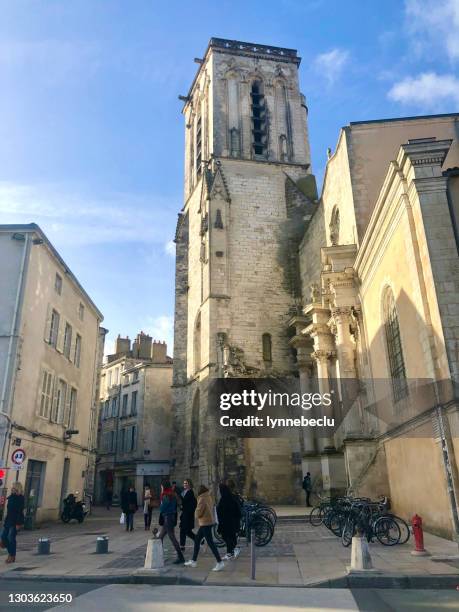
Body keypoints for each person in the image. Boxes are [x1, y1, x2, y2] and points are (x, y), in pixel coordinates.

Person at [184, 485, 224, 572]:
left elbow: (198, 512)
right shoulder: (208, 496)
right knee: (197, 540)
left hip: (205, 522)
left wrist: (195, 512)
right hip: (207, 522)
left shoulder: (201, 499)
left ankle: (220, 562)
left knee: (210, 543)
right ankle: (194, 560)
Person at [157, 481, 185, 564]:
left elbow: (162, 508)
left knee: (172, 537)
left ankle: (181, 557)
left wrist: (161, 505)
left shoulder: (166, 495)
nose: (161, 488)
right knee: (161, 536)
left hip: (168, 517)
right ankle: (154, 553)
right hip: (171, 516)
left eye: (161, 486)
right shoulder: (172, 493)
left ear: (163, 487)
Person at [1, 482, 25, 564]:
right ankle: (10, 552)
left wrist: (18, 524)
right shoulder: (11, 497)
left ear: (17, 488)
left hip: (15, 521)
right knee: (3, 537)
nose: (12, 489)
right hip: (8, 520)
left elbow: (20, 512)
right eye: (12, 488)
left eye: (14, 488)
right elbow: (8, 511)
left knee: (11, 538)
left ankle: (11, 555)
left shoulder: (20, 498)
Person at [217, 483, 242, 560]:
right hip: (232, 522)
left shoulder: (224, 498)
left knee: (226, 537)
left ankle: (234, 549)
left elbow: (220, 510)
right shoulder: (231, 497)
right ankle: (230, 552)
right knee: (231, 537)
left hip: (226, 522)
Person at [179, 479, 196, 551]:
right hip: (185, 514)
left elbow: (185, 502)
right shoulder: (184, 492)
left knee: (186, 531)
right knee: (183, 530)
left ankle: (198, 539)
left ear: (189, 484)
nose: (185, 484)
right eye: (184, 483)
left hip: (188, 515)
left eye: (186, 483)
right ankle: (182, 546)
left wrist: (182, 505)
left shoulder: (190, 492)